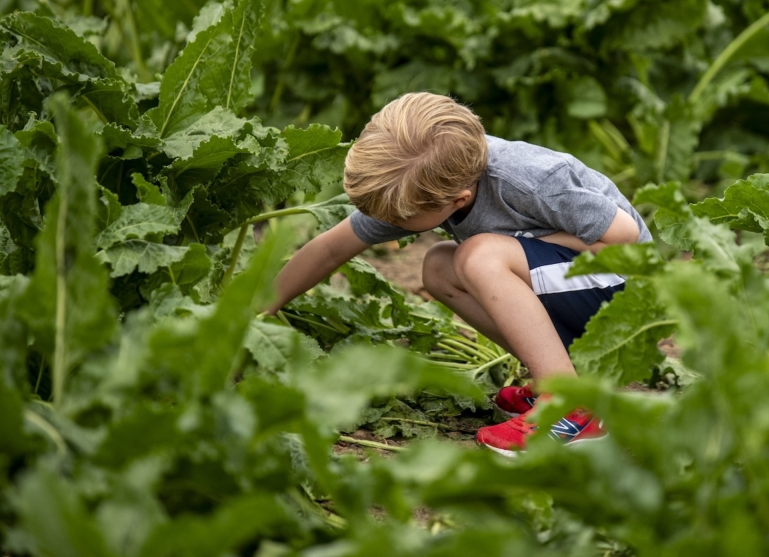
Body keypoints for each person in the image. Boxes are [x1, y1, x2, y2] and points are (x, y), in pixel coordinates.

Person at [266, 92, 651, 456]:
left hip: (626, 294)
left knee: (478, 257)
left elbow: (625, 238)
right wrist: (257, 309)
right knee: (439, 266)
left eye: (398, 218)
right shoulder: (429, 185)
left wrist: (511, 241)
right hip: (578, 287)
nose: (388, 224)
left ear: (458, 200)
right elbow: (332, 247)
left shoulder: (532, 179)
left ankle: (567, 404)